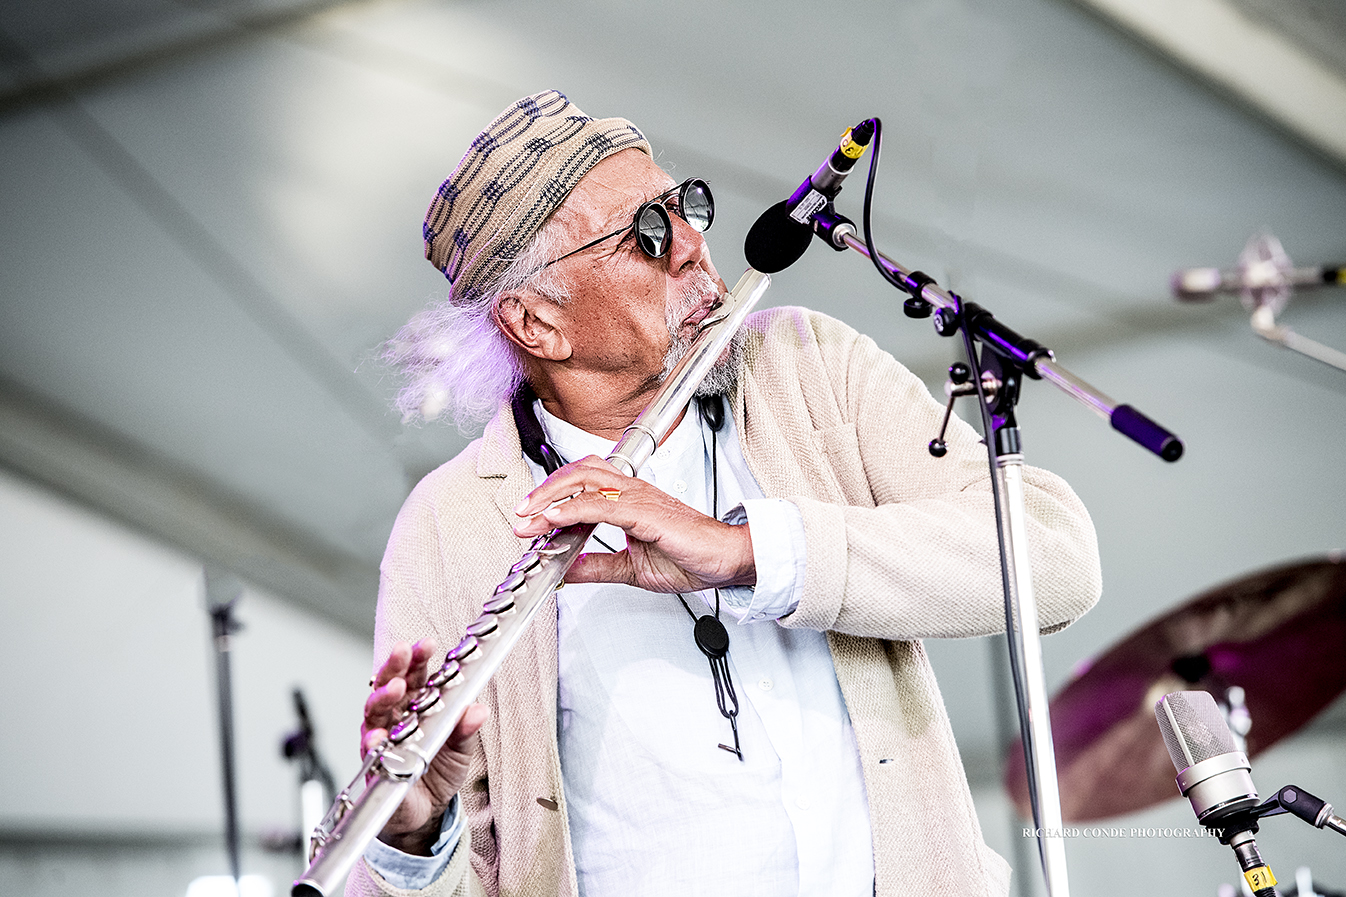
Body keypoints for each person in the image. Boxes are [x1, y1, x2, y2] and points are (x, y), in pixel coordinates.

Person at [347, 90, 1102, 897]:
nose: (690, 243)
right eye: (643, 232)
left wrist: (751, 553)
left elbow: (1056, 559)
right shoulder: (450, 523)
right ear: (537, 324)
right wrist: (413, 834)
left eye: (682, 205)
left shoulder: (810, 366)